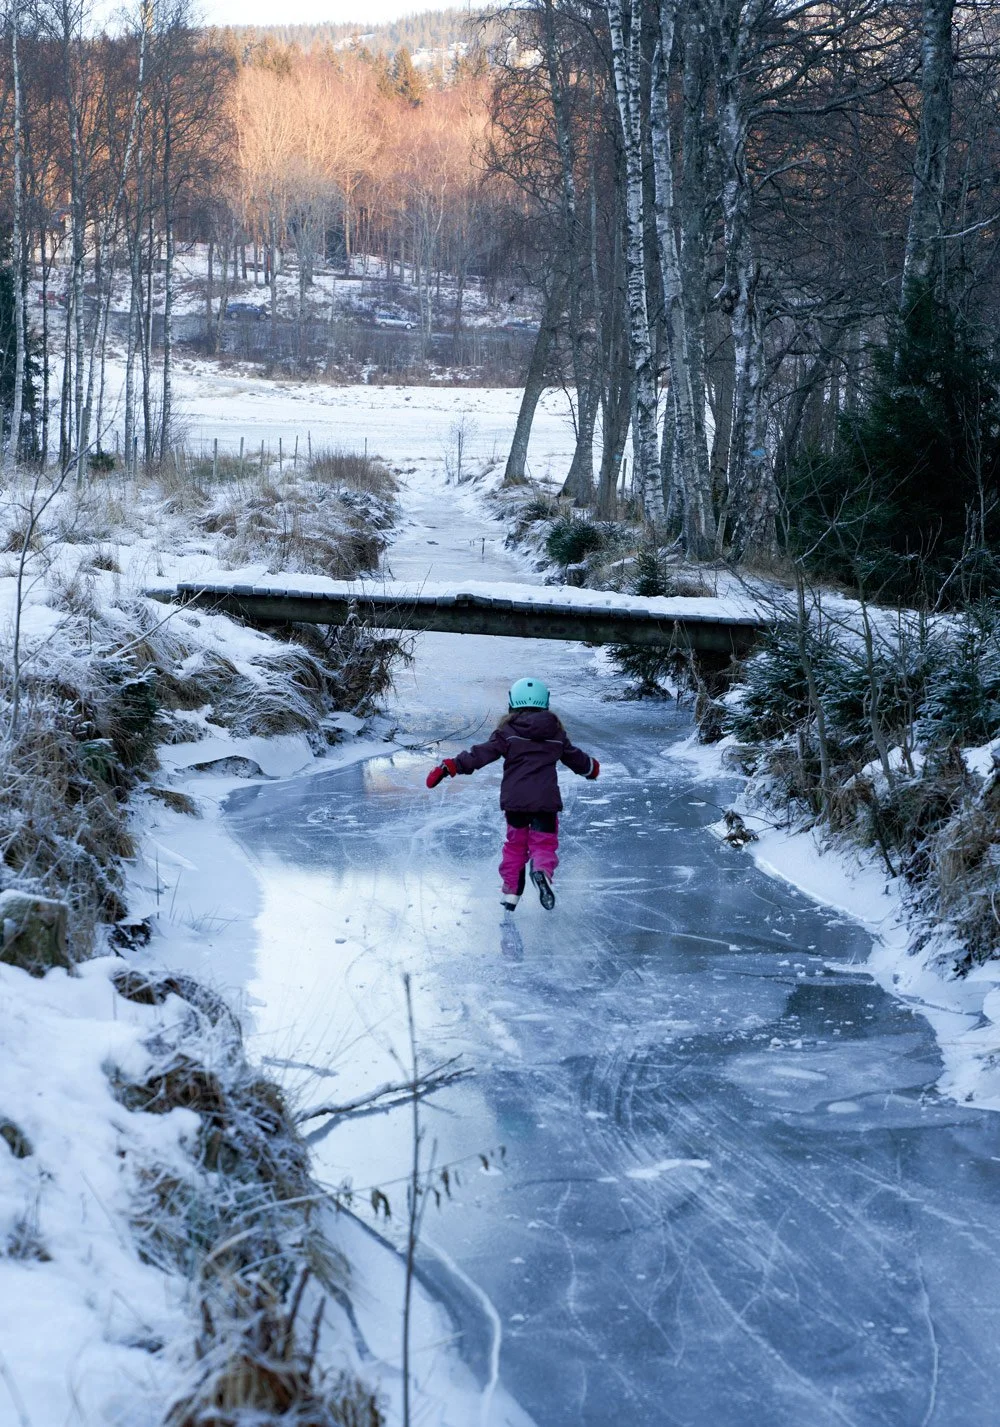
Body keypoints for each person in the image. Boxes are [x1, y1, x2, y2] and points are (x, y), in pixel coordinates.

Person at [426, 677, 599, 911]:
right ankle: (541, 872)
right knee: (544, 844)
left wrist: (451, 766)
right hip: (545, 802)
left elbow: (481, 754)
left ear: (512, 703)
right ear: (545, 702)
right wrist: (591, 768)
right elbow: (574, 757)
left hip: (515, 802)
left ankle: (511, 894)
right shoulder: (555, 733)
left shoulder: (507, 732)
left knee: (515, 847)